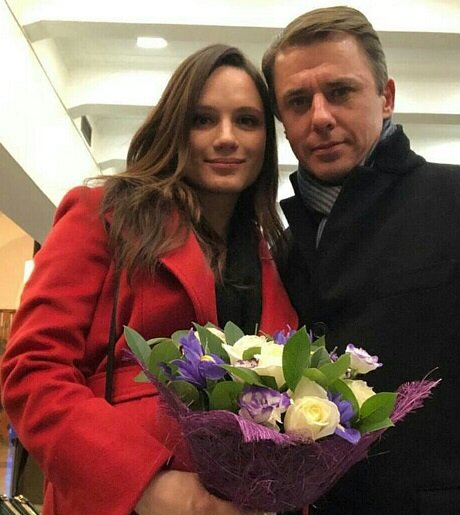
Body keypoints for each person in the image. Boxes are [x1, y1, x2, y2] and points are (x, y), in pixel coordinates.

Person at [0, 44, 298, 515]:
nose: (226, 137)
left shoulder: (270, 255)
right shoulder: (104, 215)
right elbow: (33, 370)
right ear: (175, 127)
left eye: (246, 121)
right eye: (203, 119)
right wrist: (144, 483)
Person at [262, 6, 460, 514]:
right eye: (298, 101)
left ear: (386, 97)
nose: (321, 117)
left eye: (340, 91)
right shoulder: (281, 253)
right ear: (283, 124)